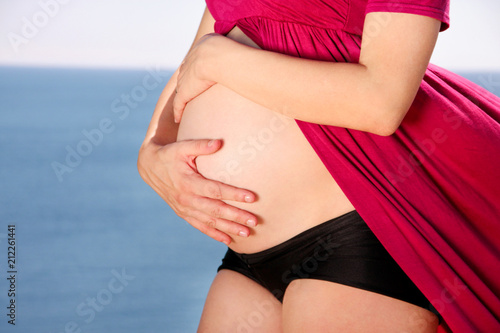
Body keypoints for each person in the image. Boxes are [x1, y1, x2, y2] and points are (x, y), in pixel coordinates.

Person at [138, 0, 500, 332]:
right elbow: (198, 58)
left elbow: (381, 101)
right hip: (249, 250)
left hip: (360, 232)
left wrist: (219, 60)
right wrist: (152, 151)